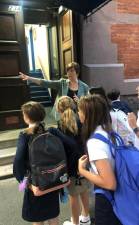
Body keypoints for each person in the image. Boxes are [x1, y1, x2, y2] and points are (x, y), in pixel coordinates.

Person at [78, 94, 122, 225]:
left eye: (79, 110)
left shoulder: (95, 142)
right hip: (120, 195)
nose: (78, 113)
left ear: (87, 114)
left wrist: (82, 170)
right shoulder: (110, 133)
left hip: (107, 199)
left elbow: (109, 183)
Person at [13, 101, 59, 225]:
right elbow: (70, 146)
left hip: (36, 182)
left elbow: (18, 160)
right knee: (53, 214)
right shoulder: (50, 131)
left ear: (27, 117)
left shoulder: (25, 134)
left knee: (37, 218)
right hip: (53, 179)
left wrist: (23, 182)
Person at [48, 96, 91, 225]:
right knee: (83, 190)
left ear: (58, 109)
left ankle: (75, 223)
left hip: (71, 165)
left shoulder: (62, 124)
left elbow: (67, 146)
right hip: (84, 161)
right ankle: (86, 217)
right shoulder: (80, 118)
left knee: (73, 195)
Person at [19, 62, 89, 120]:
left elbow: (88, 105)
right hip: (62, 116)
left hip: (77, 116)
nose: (69, 73)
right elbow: (46, 82)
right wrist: (29, 78)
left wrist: (79, 101)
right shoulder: (62, 83)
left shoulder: (84, 87)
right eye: (67, 71)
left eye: (71, 71)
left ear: (77, 72)